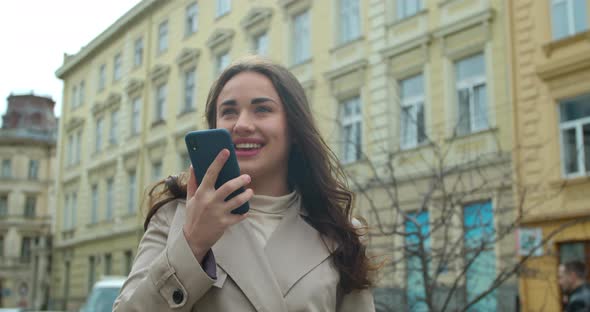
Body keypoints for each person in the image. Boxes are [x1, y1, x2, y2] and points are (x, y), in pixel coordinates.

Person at [114, 56, 377, 311]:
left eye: (262, 109)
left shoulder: (339, 233)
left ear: (294, 128)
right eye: (228, 112)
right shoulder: (175, 217)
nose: (241, 124)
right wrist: (192, 244)